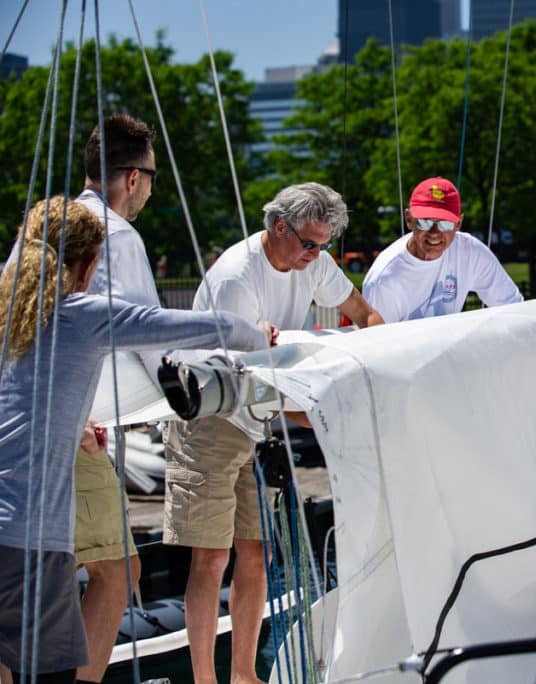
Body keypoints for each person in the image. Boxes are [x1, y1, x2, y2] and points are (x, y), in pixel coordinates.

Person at [0, 196, 271, 683]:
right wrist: (262, 337)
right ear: (87, 265)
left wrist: (75, 420)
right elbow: (211, 328)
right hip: (29, 537)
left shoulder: (7, 316)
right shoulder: (80, 314)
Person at [162, 182, 382, 684]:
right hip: (210, 418)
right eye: (309, 243)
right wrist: (322, 412)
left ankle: (243, 674)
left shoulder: (313, 260)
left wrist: (368, 358)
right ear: (279, 226)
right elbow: (248, 382)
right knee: (211, 556)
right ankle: (204, 679)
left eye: (325, 245)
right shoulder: (238, 279)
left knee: (256, 552)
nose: (316, 255)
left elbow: (365, 313)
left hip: (258, 421)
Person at [74, 112, 162, 683]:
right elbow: (152, 335)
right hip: (65, 428)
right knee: (117, 569)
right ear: (133, 178)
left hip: (33, 419)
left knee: (25, 581)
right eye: (151, 178)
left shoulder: (48, 224)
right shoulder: (115, 232)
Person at [362, 176, 523, 322]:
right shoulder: (384, 280)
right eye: (425, 222)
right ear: (409, 220)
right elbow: (378, 347)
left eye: (445, 223)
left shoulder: (471, 252)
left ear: (458, 224)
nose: (434, 232)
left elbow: (514, 310)